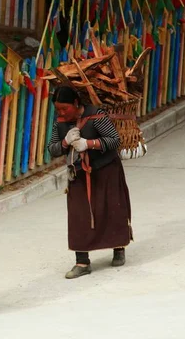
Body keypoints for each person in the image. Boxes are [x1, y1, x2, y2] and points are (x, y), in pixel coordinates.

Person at [47, 86, 133, 279]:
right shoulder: (60, 123)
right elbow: (52, 149)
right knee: (79, 216)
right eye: (58, 110)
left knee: (112, 208)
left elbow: (114, 140)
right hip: (78, 173)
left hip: (106, 169)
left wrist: (89, 143)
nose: (61, 113)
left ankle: (119, 247)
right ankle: (82, 262)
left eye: (64, 109)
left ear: (76, 104)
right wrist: (65, 142)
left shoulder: (97, 115)